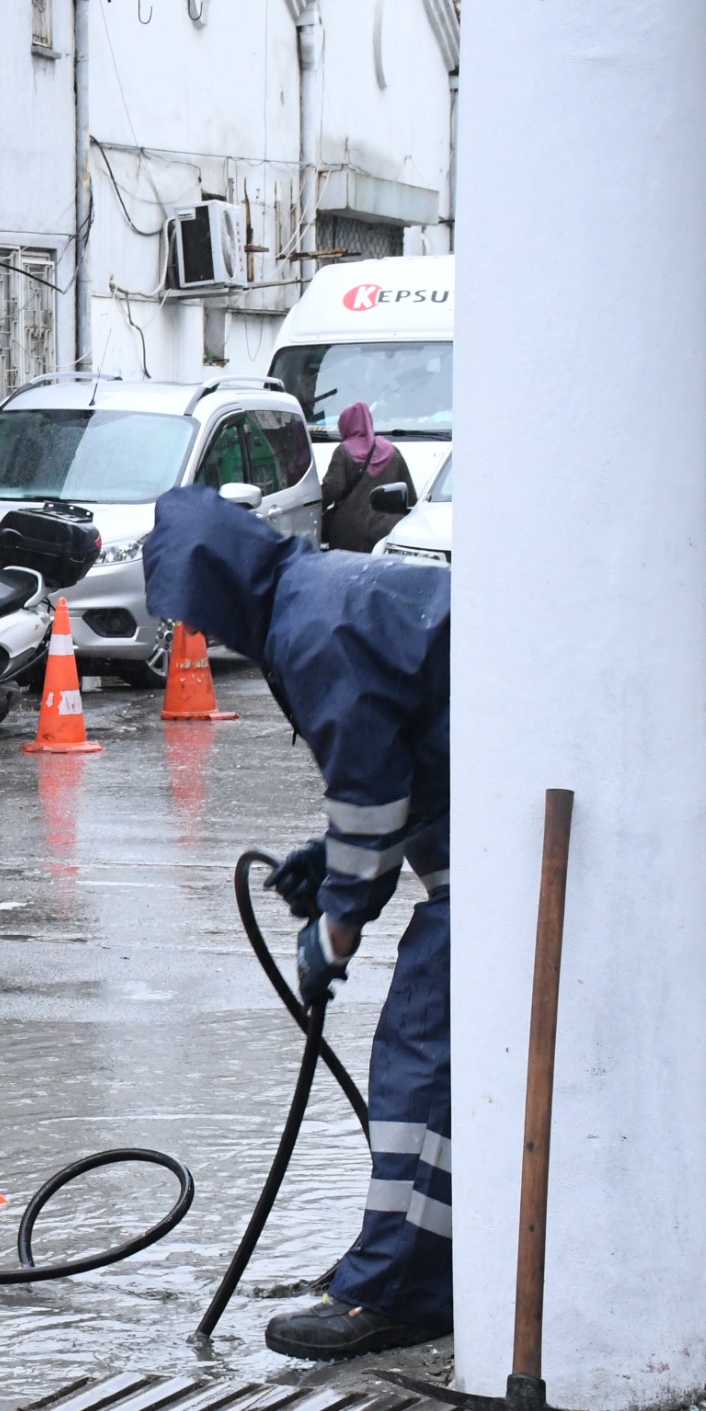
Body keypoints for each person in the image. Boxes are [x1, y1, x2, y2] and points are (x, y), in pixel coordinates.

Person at [145, 484, 450, 1359]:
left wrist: (335, 930)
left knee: (420, 1063)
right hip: (495, 829)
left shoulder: (312, 629)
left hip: (503, 849)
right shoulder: (318, 593)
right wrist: (336, 852)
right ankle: (417, 1269)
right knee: (435, 1068)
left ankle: (396, 1293)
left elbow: (371, 792)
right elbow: (399, 753)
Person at [319, 401, 415, 554]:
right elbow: (410, 497)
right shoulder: (392, 452)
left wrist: (314, 508)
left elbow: (332, 489)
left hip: (348, 533)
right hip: (385, 533)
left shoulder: (343, 452)